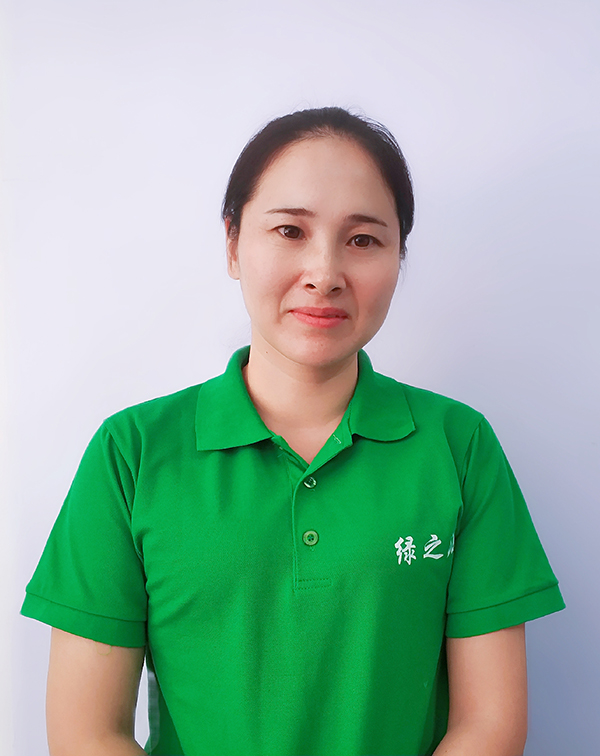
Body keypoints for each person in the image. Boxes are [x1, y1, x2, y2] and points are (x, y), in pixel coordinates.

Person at [21, 106, 565, 756]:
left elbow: (489, 724)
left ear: (399, 255)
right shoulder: (132, 453)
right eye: (289, 230)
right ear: (233, 243)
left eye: (363, 240)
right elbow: (87, 733)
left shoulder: (459, 446)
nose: (324, 273)